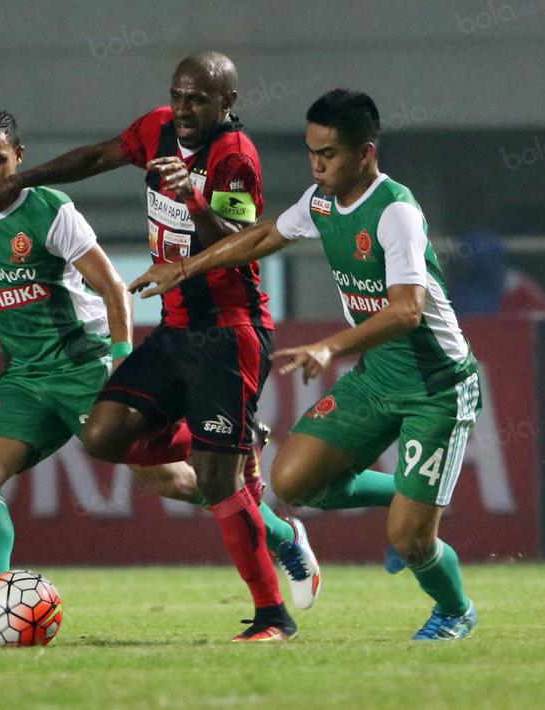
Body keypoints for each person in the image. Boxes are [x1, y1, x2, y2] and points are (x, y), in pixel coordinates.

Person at [0, 106, 288, 627]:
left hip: (82, 365)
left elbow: (113, 287)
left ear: (19, 157)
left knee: (178, 482)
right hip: (25, 376)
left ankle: (279, 529)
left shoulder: (49, 209)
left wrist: (120, 361)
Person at [0, 52, 315, 641]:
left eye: (198, 99)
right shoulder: (156, 129)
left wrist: (193, 200)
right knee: (103, 436)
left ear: (227, 103)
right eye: (178, 95)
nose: (183, 108)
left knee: (216, 481)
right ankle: (235, 443)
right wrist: (22, 179)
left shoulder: (234, 157)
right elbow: (97, 157)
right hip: (174, 326)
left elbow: (245, 242)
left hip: (230, 331)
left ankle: (273, 615)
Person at [130, 88, 481, 641]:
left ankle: (454, 609)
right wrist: (186, 267)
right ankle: (412, 495)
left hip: (437, 386)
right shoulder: (320, 202)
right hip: (379, 378)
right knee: (294, 482)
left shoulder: (396, 213)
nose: (317, 165)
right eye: (312, 152)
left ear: (365, 153)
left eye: (329, 154)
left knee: (412, 542)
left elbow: (407, 311)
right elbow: (264, 235)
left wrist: (328, 348)